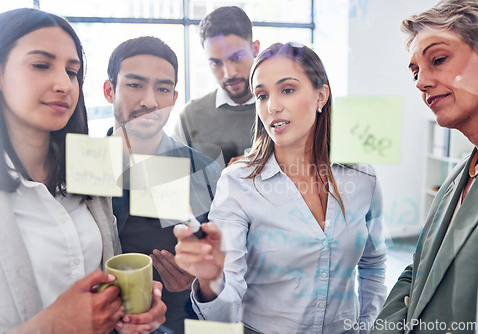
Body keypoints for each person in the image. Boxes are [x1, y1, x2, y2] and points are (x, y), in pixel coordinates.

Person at [174, 42, 387, 334]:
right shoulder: (239, 182)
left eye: (287, 90)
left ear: (320, 96)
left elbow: (373, 265)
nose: (271, 106)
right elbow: (224, 309)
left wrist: (366, 328)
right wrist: (213, 281)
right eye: (262, 95)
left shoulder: (362, 178)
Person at [0, 8, 166, 333]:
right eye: (41, 65)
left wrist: (130, 310)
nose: (64, 84)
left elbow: (109, 266)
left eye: (73, 71)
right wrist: (53, 325)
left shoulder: (88, 163)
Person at [371, 1, 478, 333]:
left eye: (439, 60)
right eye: (416, 72)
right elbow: (417, 271)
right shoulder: (457, 177)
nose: (421, 82)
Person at [104, 36, 222, 333]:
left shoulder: (205, 172)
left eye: (163, 89)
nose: (150, 101)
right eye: (134, 85)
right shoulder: (78, 168)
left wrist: (200, 281)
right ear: (109, 90)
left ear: (174, 98)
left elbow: (232, 276)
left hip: (178, 322)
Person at [170, 6, 260, 166]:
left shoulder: (280, 109)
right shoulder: (190, 117)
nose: (229, 73)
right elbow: (172, 182)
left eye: (237, 57)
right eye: (216, 63)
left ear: (255, 49)